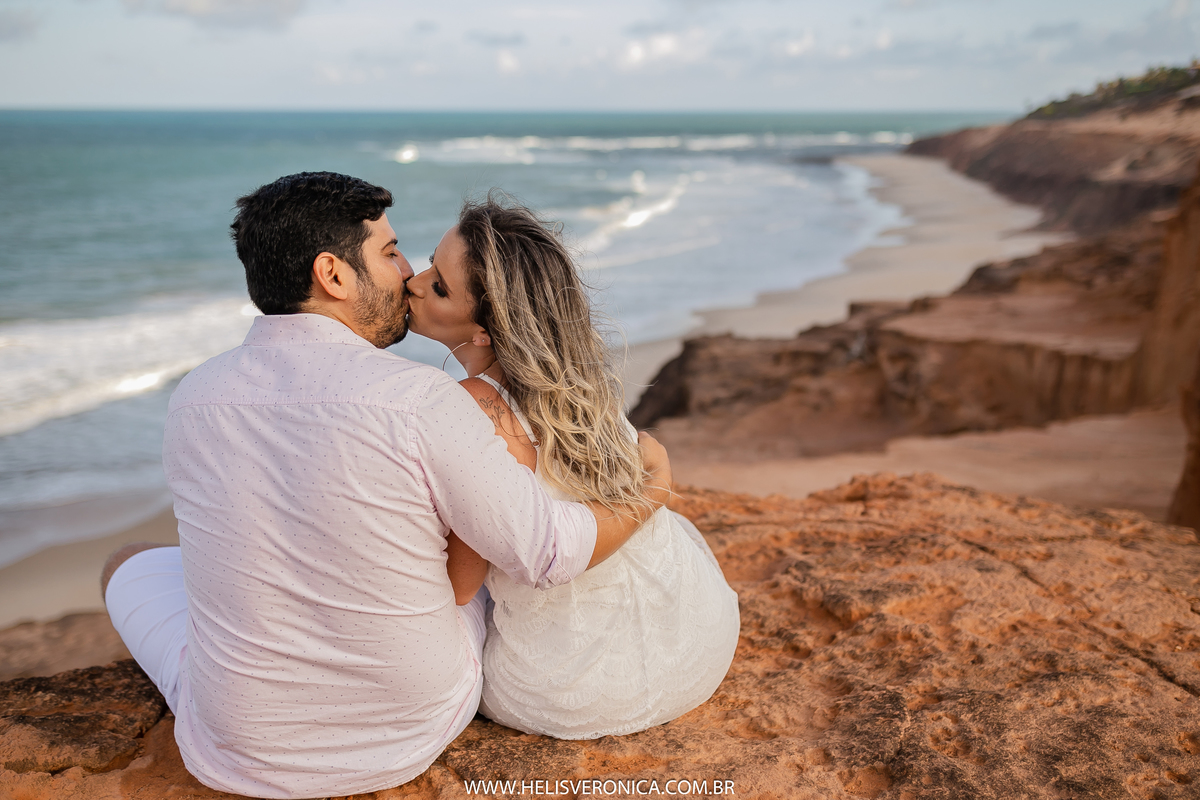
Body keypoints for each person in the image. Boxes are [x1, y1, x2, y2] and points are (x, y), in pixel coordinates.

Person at [99, 172, 673, 798]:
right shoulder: (419, 401)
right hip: (406, 731)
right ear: (334, 275)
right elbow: (547, 551)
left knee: (126, 562)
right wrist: (652, 493)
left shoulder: (194, 398)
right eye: (390, 252)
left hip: (242, 746)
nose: (406, 273)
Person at [405, 193, 740, 739]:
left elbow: (460, 586)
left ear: (485, 331)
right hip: (696, 645)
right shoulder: (580, 386)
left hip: (567, 692)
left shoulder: (475, 406)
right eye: (428, 263)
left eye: (439, 285)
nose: (413, 283)